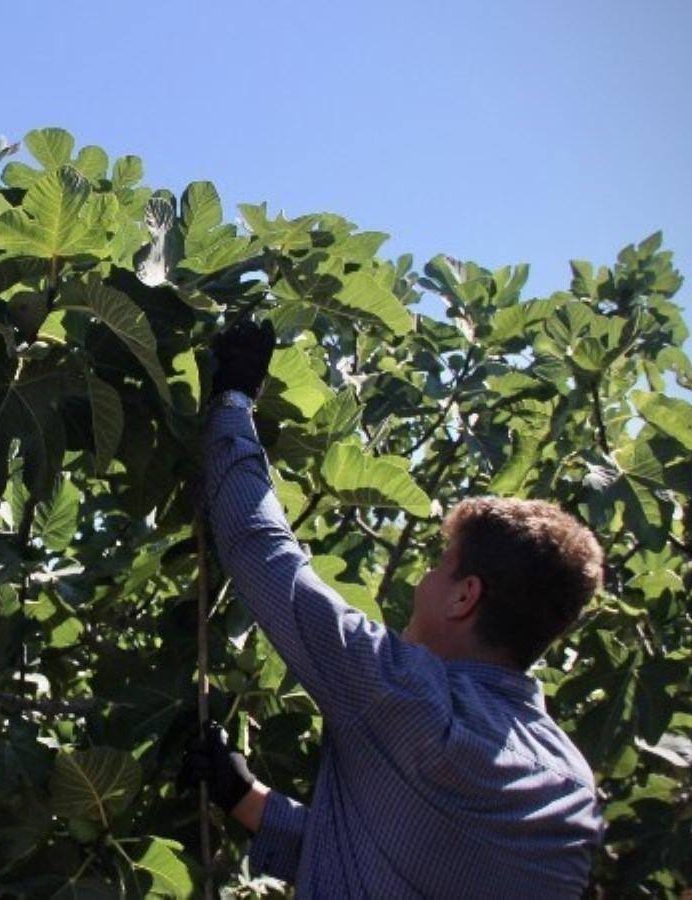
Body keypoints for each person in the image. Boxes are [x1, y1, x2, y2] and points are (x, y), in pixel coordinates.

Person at [182, 320, 605, 897]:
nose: (423, 581)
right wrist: (247, 799)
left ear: (464, 595)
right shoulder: (573, 785)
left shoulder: (401, 694)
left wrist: (234, 398)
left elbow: (260, 549)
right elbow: (391, 866)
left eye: (439, 564)